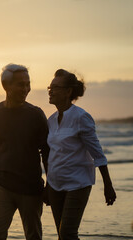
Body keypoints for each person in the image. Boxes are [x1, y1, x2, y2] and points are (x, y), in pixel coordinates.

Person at [0, 63, 49, 240]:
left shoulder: (36, 114)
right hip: (2, 184)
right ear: (6, 86)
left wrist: (50, 184)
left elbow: (47, 151)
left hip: (31, 186)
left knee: (33, 235)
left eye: (28, 84)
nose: (26, 89)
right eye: (21, 84)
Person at [46, 69, 117, 240]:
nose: (50, 91)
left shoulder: (81, 117)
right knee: (62, 236)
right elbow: (51, 155)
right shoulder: (51, 120)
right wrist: (48, 184)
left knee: (67, 234)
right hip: (55, 185)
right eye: (50, 87)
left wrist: (108, 186)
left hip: (77, 183)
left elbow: (98, 154)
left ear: (68, 91)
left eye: (55, 87)